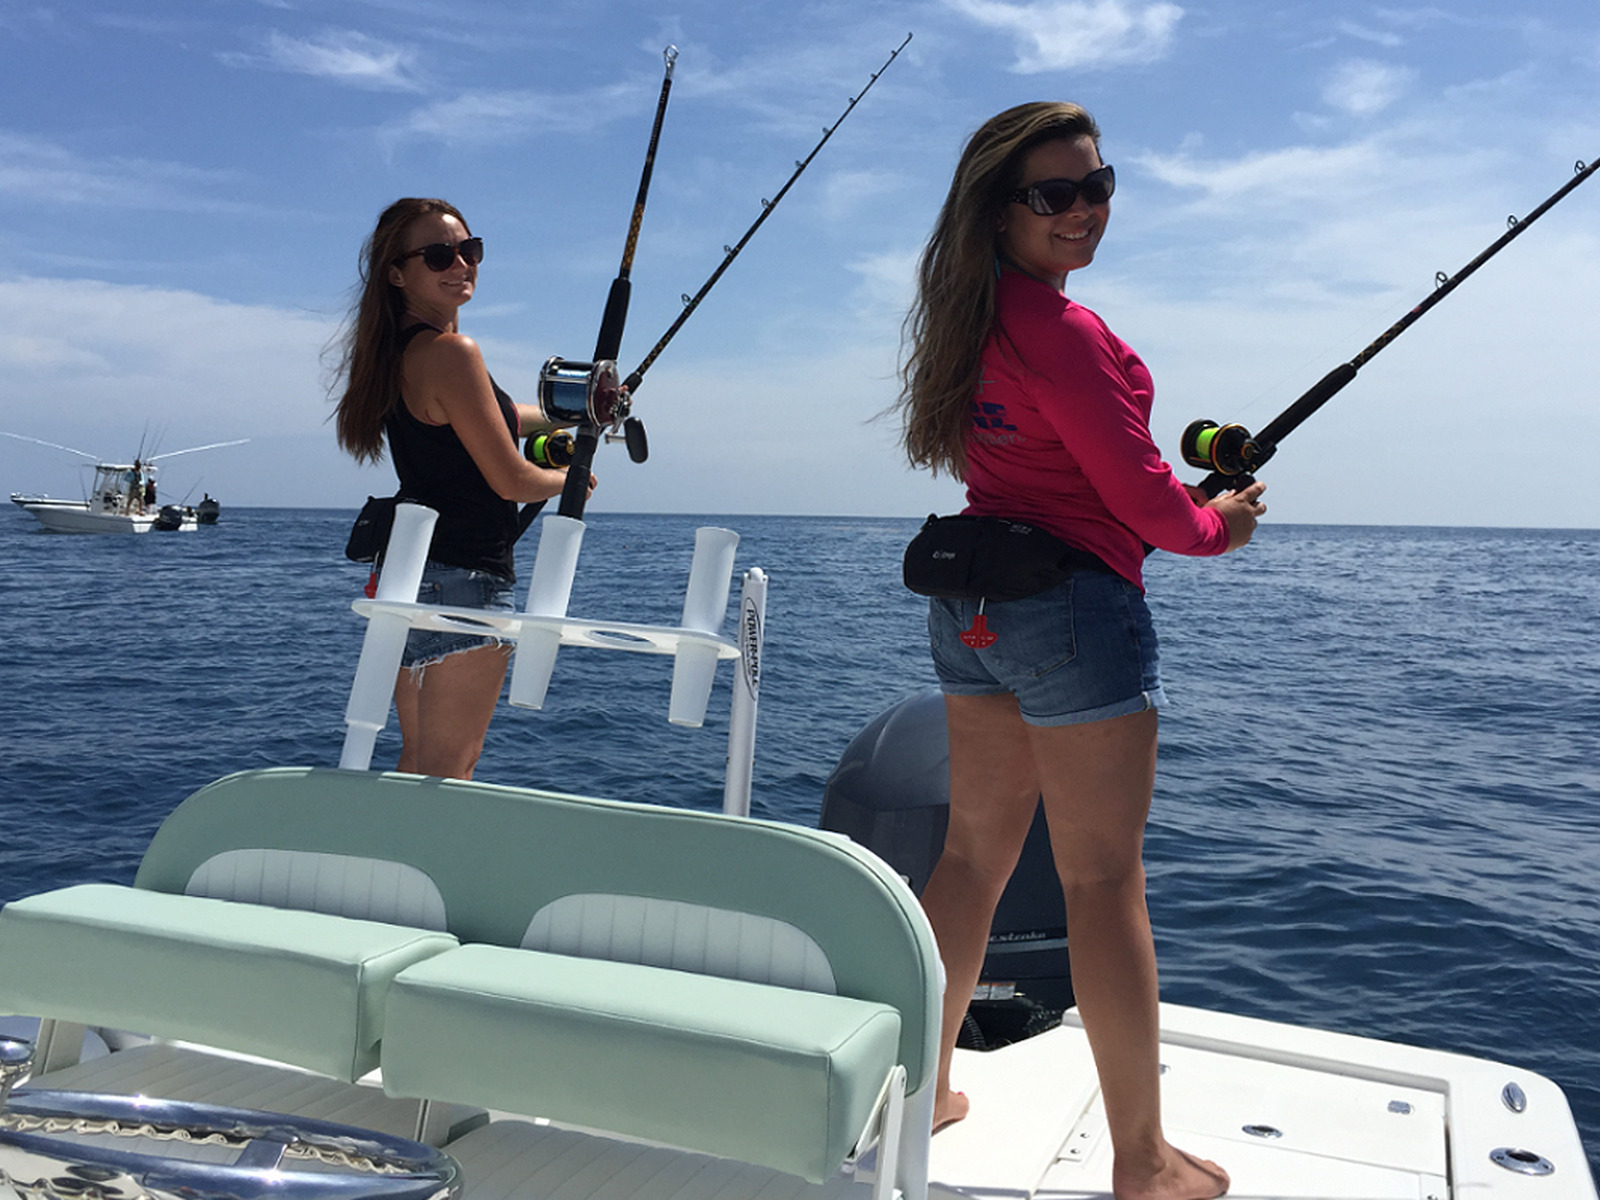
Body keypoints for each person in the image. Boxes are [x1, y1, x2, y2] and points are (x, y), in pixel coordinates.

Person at [895, 103, 1265, 1200]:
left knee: (971, 860)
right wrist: (1220, 526)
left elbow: (1073, 468)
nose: (1084, 210)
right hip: (1069, 615)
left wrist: (1164, 502)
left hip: (975, 608)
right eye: (1053, 194)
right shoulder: (1062, 331)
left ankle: (923, 1091)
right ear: (998, 210)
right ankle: (1143, 1163)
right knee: (1101, 882)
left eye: (1098, 185)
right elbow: (1153, 511)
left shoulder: (970, 321)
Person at [334, 198, 581, 781]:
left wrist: (577, 415)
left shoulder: (402, 351)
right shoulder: (453, 353)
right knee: (451, 771)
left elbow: (495, 418)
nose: (461, 264)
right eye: (439, 254)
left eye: (470, 250)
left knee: (417, 761)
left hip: (408, 576)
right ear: (398, 273)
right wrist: (572, 482)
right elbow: (511, 479)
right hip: (464, 584)